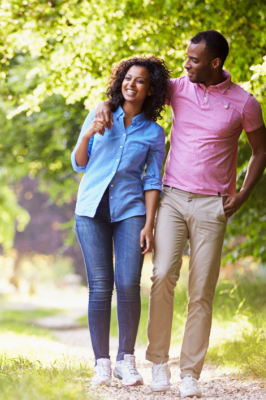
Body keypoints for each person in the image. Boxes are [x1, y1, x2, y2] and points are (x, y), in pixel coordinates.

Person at [94, 30, 266, 397]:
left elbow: (260, 151)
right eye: (186, 58)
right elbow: (132, 88)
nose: (185, 64)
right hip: (171, 197)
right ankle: (158, 364)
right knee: (161, 278)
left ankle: (190, 373)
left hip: (212, 204)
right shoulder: (175, 88)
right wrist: (102, 106)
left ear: (215, 63)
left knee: (202, 290)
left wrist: (244, 192)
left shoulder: (244, 103)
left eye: (193, 60)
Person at [71, 56, 170, 387]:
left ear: (150, 90)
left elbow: (152, 180)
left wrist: (149, 224)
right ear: (120, 81)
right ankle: (101, 362)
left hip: (130, 211)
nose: (132, 84)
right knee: (100, 286)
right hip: (91, 210)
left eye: (140, 80)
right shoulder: (100, 113)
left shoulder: (155, 133)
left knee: (128, 283)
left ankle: (126, 361)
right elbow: (79, 163)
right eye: (128, 78)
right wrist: (88, 134)